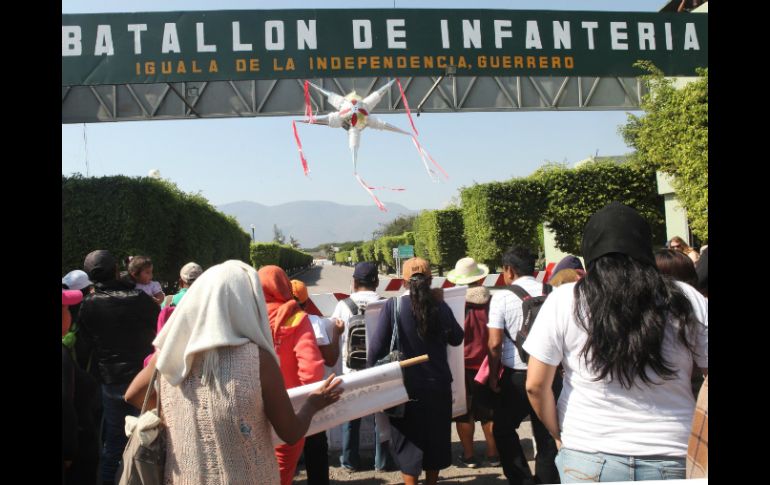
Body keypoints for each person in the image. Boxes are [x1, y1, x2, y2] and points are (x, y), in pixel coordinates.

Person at [524, 202, 708, 482]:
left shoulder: (564, 300)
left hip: (587, 453)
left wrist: (558, 433)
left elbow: (536, 386)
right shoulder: (685, 297)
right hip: (673, 452)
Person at [125, 260, 343, 485]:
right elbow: (290, 432)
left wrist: (186, 409)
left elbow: (133, 395)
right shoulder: (257, 359)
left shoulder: (170, 353)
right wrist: (312, 405)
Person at [368, 257, 464, 485]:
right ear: (431, 279)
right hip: (438, 386)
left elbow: (375, 350)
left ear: (403, 280)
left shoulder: (394, 307)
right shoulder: (440, 306)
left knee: (408, 443)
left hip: (404, 388)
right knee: (435, 442)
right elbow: (457, 338)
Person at [76, 249, 159, 485]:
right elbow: (162, 329)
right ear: (116, 270)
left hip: (111, 381)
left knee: (113, 443)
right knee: (150, 437)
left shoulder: (89, 304)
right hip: (144, 380)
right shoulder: (140, 299)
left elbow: (84, 348)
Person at [487, 246, 561, 485]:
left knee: (503, 429)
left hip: (516, 376)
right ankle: (547, 480)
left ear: (509, 270)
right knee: (548, 433)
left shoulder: (502, 297)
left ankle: (521, 479)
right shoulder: (554, 293)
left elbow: (495, 343)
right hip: (551, 375)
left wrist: (493, 376)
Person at [259, 265, 326, 485]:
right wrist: (308, 407)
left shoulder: (246, 318)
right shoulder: (296, 317)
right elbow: (312, 371)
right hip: (289, 410)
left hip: (249, 410)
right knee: (282, 474)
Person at [330, 261, 394, 472]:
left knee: (351, 416)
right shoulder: (387, 304)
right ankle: (381, 461)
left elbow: (334, 334)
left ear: (355, 282)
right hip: (380, 369)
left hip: (352, 371)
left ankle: (350, 460)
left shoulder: (343, 306)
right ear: (376, 281)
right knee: (382, 417)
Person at [445, 257, 499, 468]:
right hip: (487, 365)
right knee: (488, 412)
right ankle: (493, 453)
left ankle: (468, 456)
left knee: (463, 413)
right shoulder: (492, 302)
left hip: (460, 367)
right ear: (480, 278)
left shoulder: (455, 306)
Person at [291, 279, 345, 485]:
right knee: (316, 446)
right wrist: (336, 334)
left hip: (284, 392)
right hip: (312, 393)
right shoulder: (313, 321)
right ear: (306, 302)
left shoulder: (269, 320)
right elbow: (330, 359)